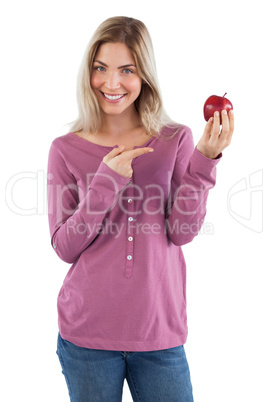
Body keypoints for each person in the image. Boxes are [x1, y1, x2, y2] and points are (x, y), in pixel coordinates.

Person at [47, 16, 234, 402]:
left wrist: (206, 158)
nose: (111, 83)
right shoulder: (65, 148)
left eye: (126, 70)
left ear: (144, 75)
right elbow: (64, 247)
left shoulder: (175, 139)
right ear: (89, 72)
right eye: (101, 68)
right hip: (86, 336)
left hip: (159, 335)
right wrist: (105, 183)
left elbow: (181, 232)